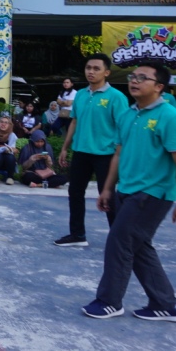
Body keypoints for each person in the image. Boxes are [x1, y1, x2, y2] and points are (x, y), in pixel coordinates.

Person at [82, 62, 176, 321]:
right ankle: (165, 304)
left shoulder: (170, 117)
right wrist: (107, 189)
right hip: (126, 190)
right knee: (138, 246)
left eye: (143, 78)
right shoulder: (128, 114)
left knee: (119, 241)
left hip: (153, 193)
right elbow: (118, 154)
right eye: (132, 76)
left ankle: (109, 301)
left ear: (159, 86)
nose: (135, 81)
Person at [54, 53, 130, 248]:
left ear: (107, 72)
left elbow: (123, 126)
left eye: (96, 68)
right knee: (75, 193)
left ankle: (118, 239)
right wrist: (65, 147)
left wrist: (120, 154)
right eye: (88, 68)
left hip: (106, 154)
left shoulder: (116, 97)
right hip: (81, 152)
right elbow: (75, 121)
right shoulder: (80, 94)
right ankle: (77, 235)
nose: (91, 72)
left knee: (108, 196)